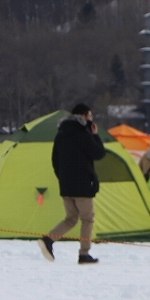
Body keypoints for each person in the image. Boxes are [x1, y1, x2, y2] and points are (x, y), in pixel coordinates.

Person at [38, 103, 106, 264]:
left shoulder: (61, 135)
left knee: (71, 218)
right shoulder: (83, 135)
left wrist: (62, 177)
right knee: (87, 219)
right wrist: (95, 135)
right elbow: (99, 153)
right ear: (83, 116)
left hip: (66, 185)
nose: (91, 119)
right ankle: (84, 253)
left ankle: (48, 240)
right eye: (90, 116)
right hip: (82, 185)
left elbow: (55, 160)